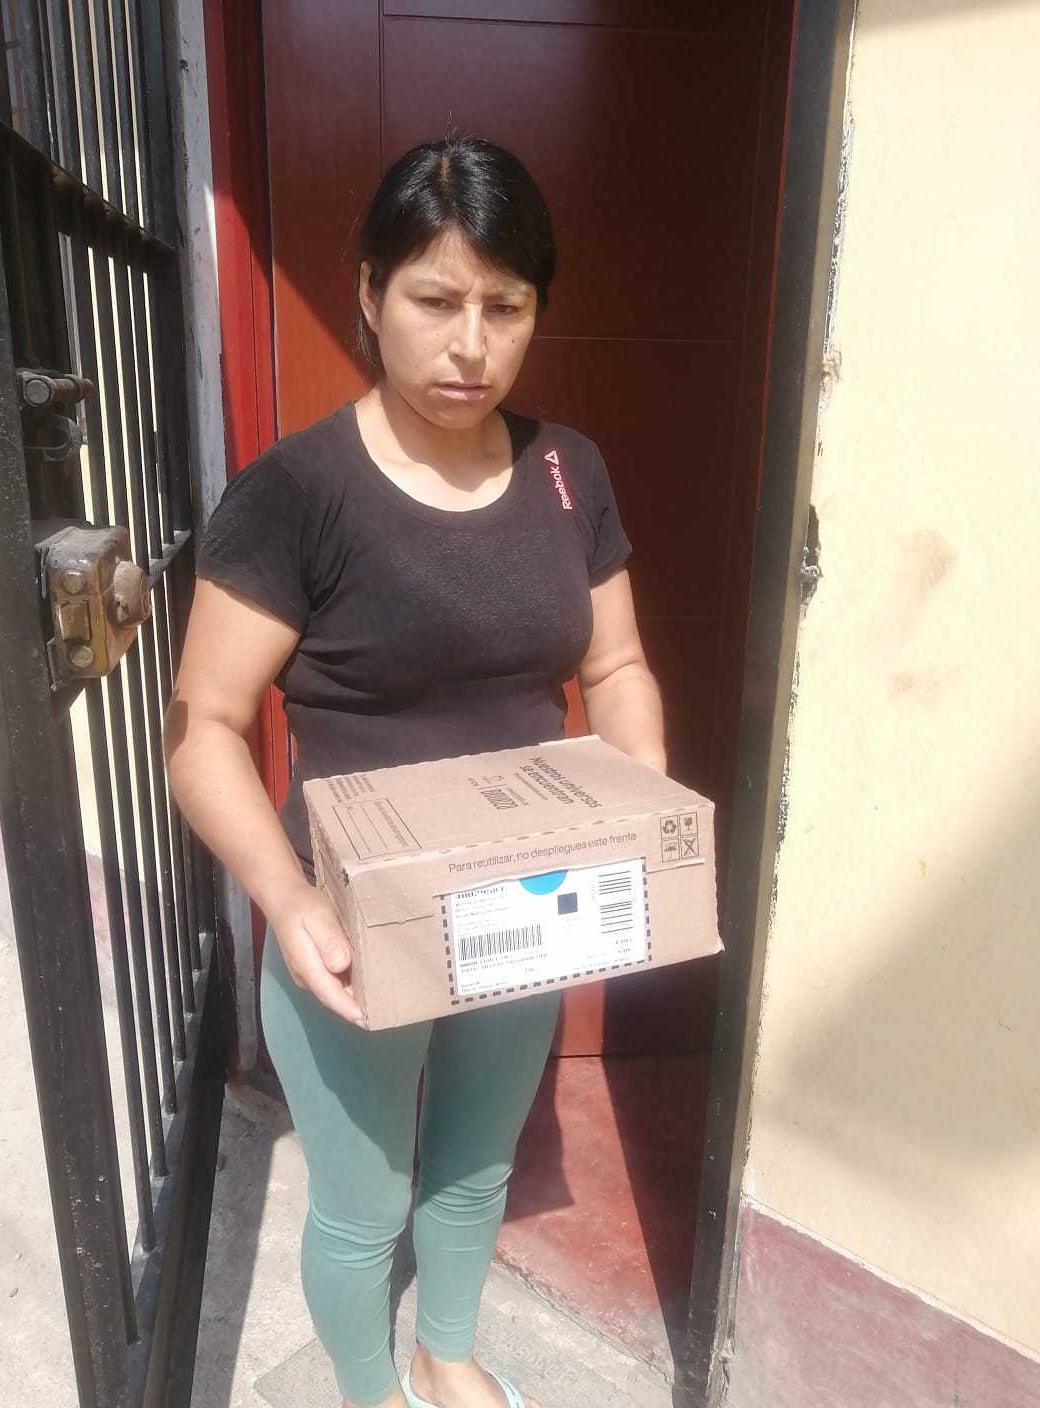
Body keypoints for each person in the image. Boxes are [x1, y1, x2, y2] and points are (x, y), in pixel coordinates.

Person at [164, 135, 665, 1408]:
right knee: (361, 1201)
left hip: (520, 901)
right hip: (350, 923)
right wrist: (288, 900)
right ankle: (366, 1387)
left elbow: (615, 666)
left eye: (507, 305)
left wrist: (638, 812)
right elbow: (202, 727)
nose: (471, 345)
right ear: (370, 292)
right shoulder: (296, 495)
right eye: (436, 299)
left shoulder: (568, 472)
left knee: (476, 1162)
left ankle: (444, 1352)